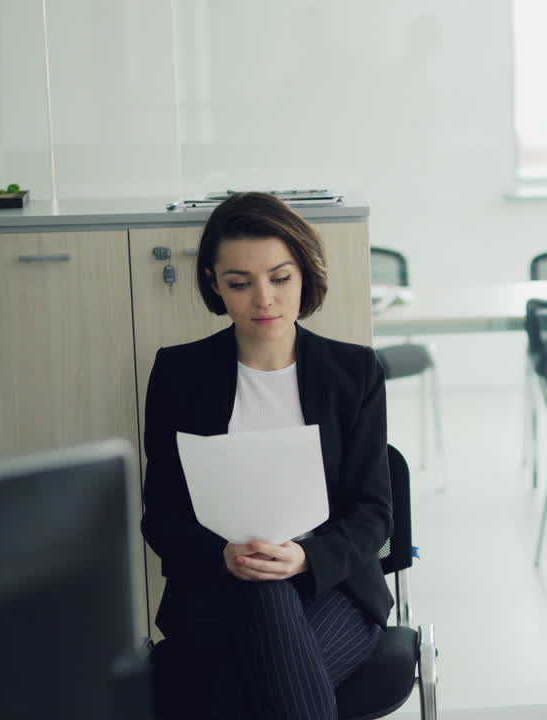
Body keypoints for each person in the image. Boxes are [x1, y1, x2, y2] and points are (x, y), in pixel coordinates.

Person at [142, 192, 392, 719]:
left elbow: (373, 514)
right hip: (215, 591)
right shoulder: (179, 374)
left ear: (304, 274)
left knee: (247, 686)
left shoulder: (355, 373)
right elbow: (161, 516)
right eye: (239, 283)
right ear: (213, 283)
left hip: (332, 587)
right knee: (263, 599)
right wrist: (223, 556)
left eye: (280, 278)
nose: (264, 300)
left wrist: (302, 558)